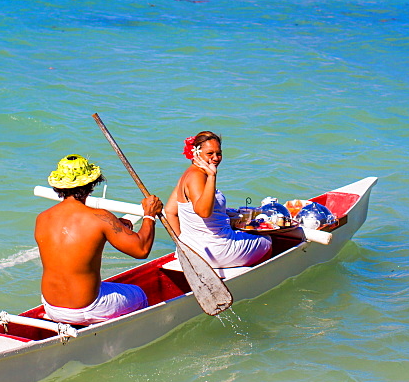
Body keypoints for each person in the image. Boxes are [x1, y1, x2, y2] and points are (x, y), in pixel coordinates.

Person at [36, 154, 163, 325]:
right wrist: (150, 215)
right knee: (139, 294)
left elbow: (76, 233)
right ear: (91, 185)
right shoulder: (100, 218)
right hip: (87, 308)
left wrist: (115, 224)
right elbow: (141, 250)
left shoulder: (43, 218)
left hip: (51, 306)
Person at [165, 131, 271, 268]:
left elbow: (170, 211)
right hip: (215, 251)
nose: (215, 158)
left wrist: (183, 243)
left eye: (218, 153)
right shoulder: (199, 176)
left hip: (191, 251)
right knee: (267, 240)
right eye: (210, 154)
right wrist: (212, 176)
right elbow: (203, 212)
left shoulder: (187, 174)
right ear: (196, 153)